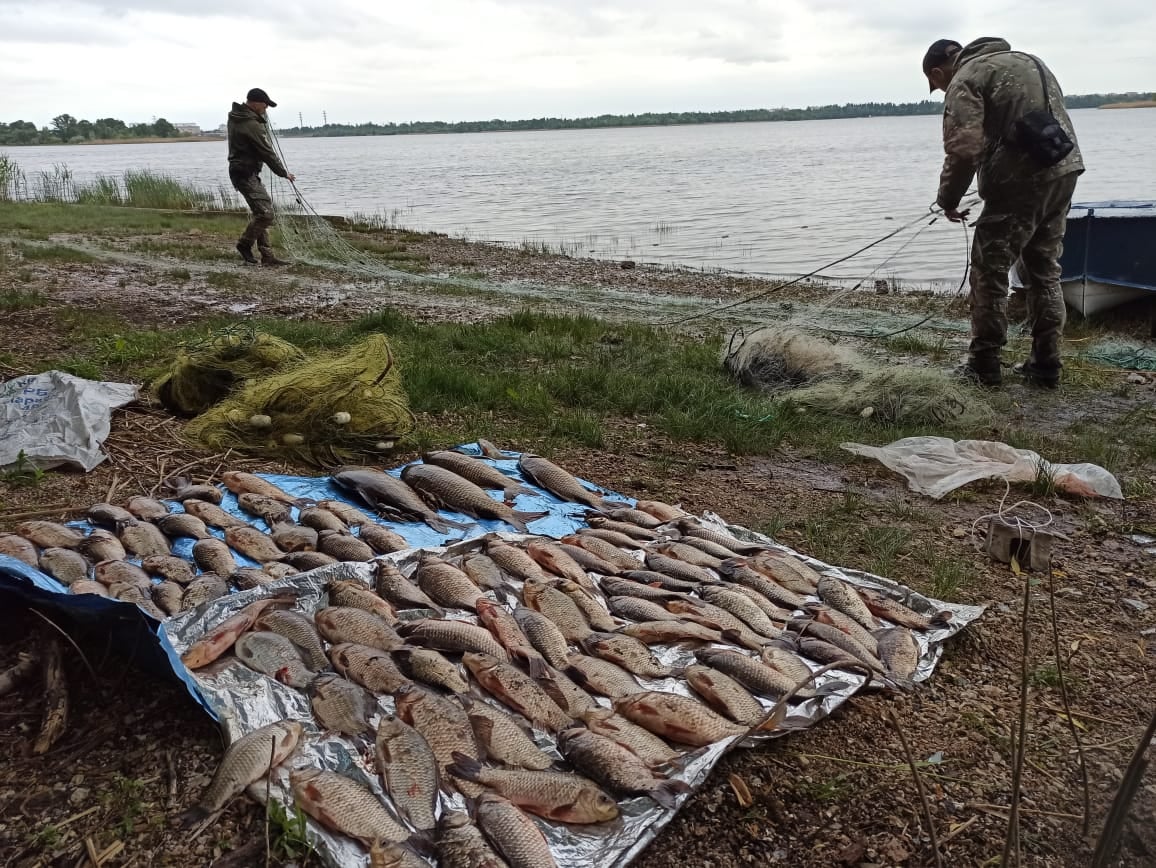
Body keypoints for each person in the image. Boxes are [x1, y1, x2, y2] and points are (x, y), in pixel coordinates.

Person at [923, 37, 1084, 388]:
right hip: (1064, 170)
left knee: (988, 271)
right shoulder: (1028, 60)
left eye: (936, 86)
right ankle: (1046, 366)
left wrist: (947, 200)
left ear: (938, 72)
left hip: (1019, 180)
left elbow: (964, 150)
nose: (942, 90)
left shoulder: (967, 76)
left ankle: (984, 366)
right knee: (1044, 270)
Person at [226, 87, 295, 266]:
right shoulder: (249, 124)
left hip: (243, 171)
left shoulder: (238, 117)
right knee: (266, 214)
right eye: (264, 105)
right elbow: (266, 152)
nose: (266, 109)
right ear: (255, 103)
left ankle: (267, 256)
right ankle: (244, 244)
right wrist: (283, 173)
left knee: (261, 212)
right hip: (244, 172)